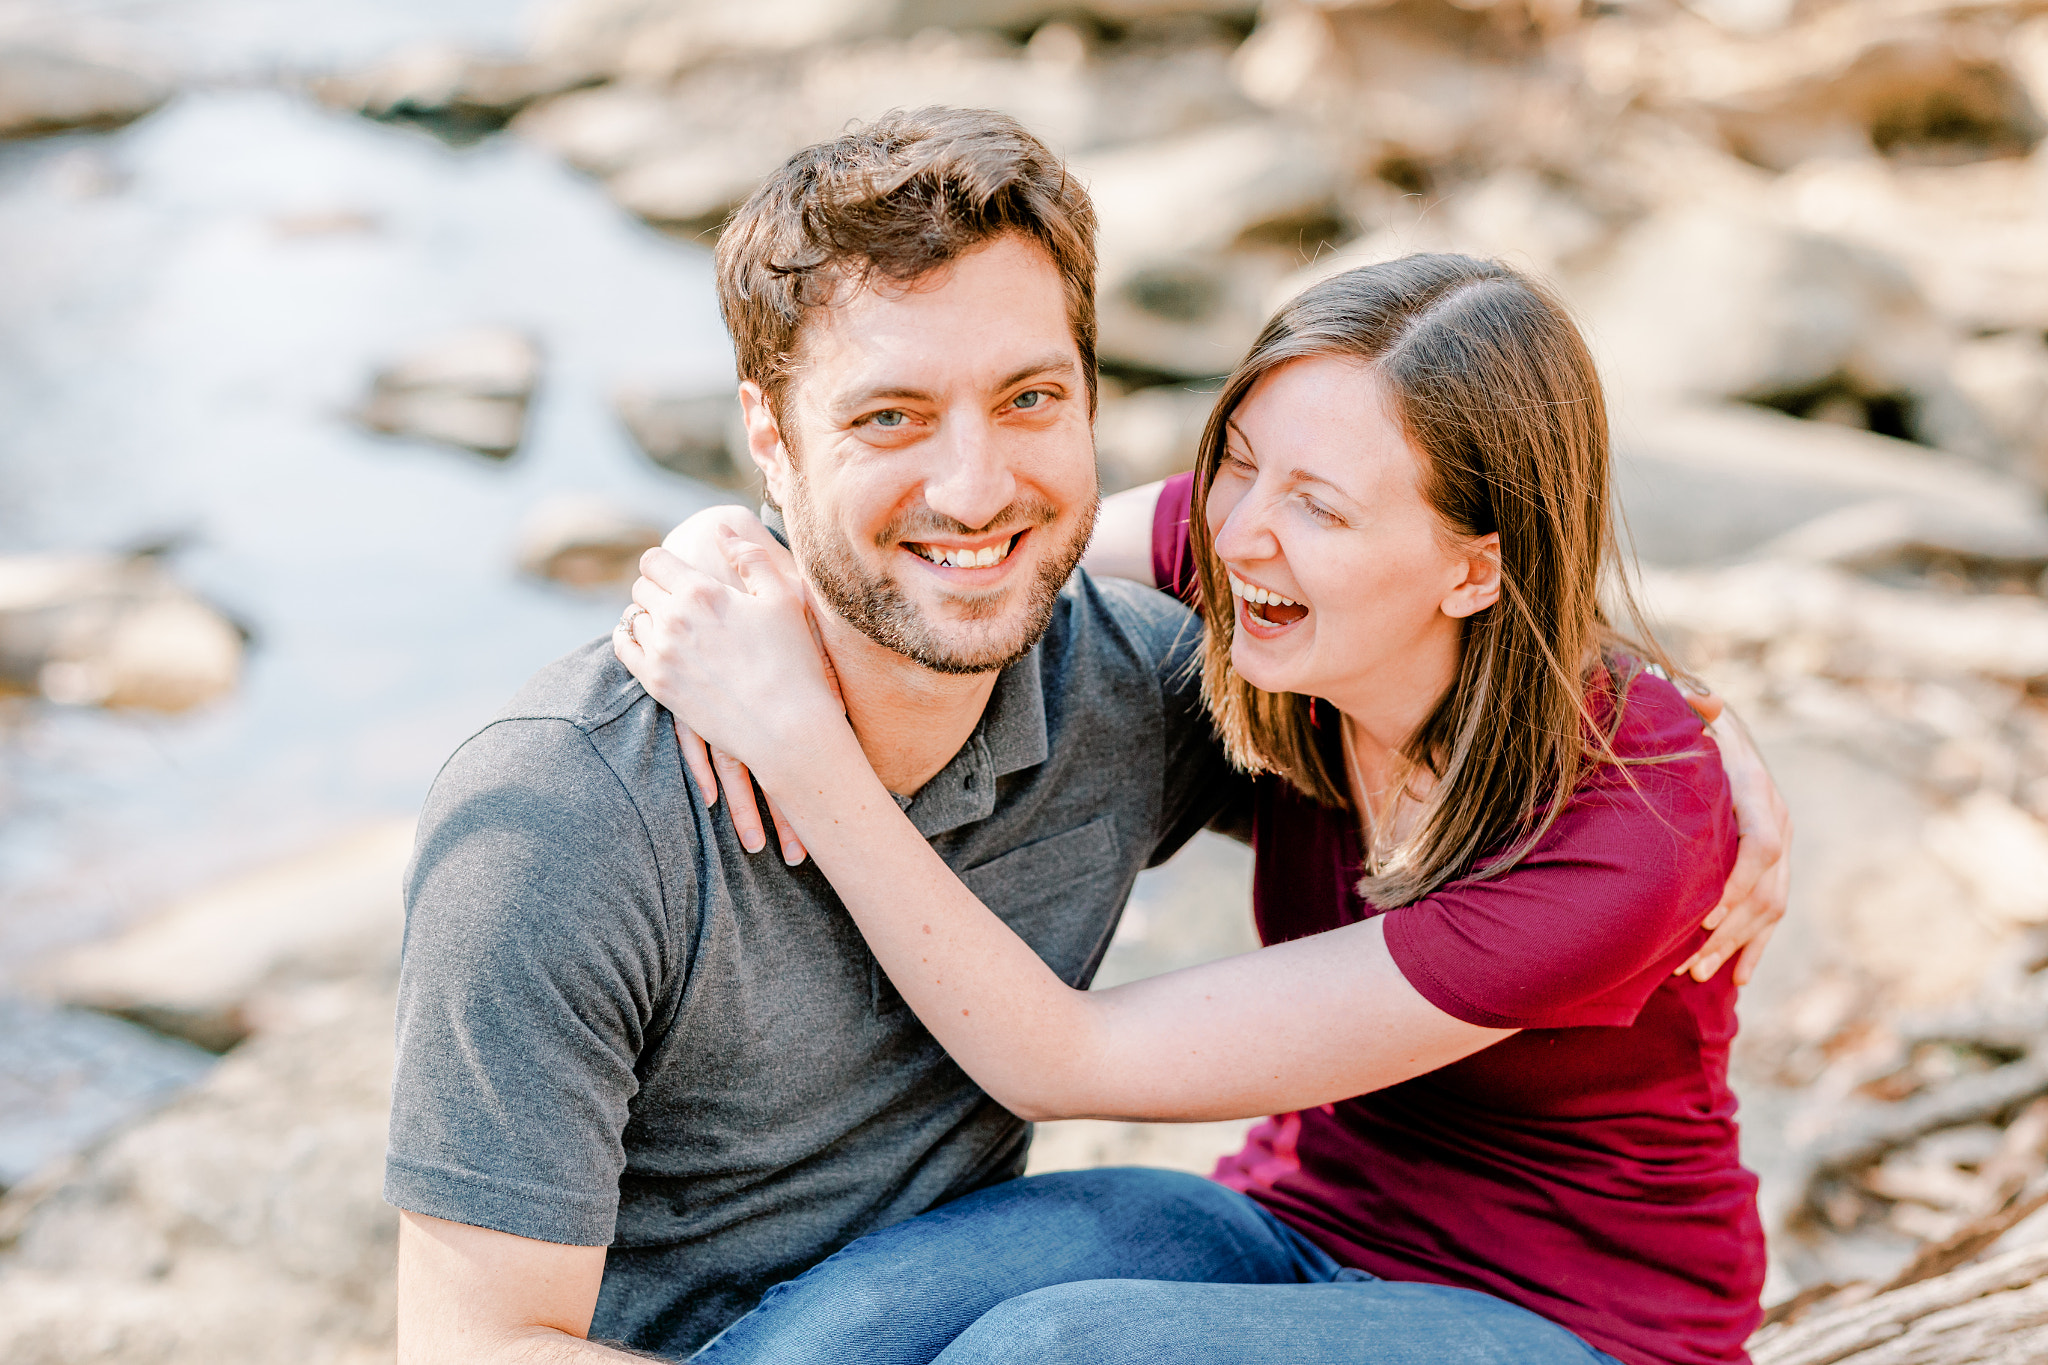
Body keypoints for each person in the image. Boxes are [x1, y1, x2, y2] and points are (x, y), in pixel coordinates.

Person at [388, 106, 1784, 1363]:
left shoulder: (1616, 830)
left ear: (1473, 565)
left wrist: (1720, 758)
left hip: (1574, 1316)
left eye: (1325, 507)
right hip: (1289, 1227)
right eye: (1238, 464)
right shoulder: (1256, 601)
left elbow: (1067, 1059)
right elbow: (996, 551)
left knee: (1055, 1350)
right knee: (877, 1325)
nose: (1245, 539)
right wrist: (722, 554)